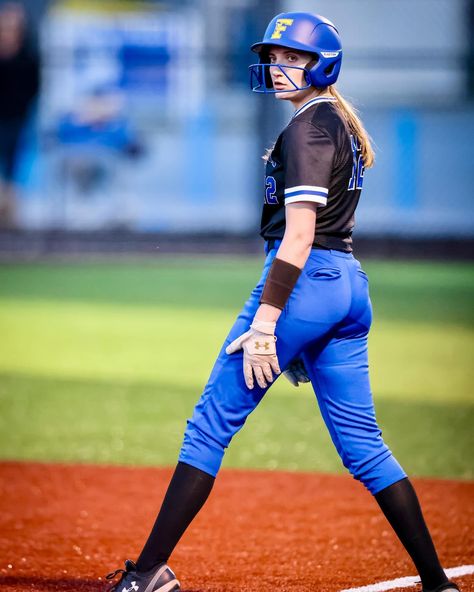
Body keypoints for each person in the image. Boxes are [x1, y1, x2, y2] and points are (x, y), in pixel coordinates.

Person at [106, 13, 460, 592]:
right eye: (274, 56)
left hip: (305, 279)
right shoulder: (334, 122)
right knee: (365, 449)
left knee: (208, 427)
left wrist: (270, 322)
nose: (278, 66)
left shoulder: (308, 127)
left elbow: (298, 236)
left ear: (322, 66)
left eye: (292, 57)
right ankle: (437, 583)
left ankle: (146, 576)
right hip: (346, 283)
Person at [0, 1, 39, 227]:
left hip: (18, 118)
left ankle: (11, 217)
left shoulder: (28, 54)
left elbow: (33, 87)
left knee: (15, 168)